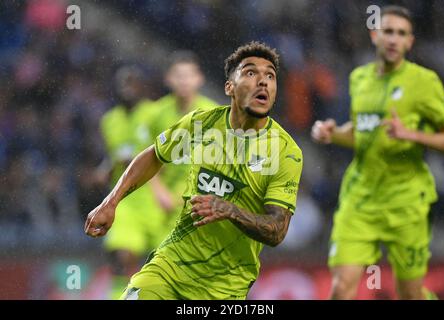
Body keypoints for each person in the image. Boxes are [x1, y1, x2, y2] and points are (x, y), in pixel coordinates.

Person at [85, 41, 303, 300]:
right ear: (229, 87)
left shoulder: (285, 152)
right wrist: (111, 202)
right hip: (172, 263)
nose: (263, 81)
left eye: (270, 76)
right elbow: (154, 155)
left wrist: (231, 210)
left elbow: (277, 230)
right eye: (251, 73)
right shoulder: (202, 123)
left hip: (225, 284)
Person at [311, 5, 444, 300]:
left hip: (406, 202)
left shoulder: (424, 83)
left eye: (401, 34)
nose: (393, 39)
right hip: (360, 200)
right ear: (375, 35)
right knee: (341, 288)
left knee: (410, 294)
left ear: (409, 42)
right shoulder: (359, 78)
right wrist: (332, 133)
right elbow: (363, 132)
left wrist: (410, 134)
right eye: (388, 31)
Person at [97, 65, 168, 299]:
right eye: (123, 83)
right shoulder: (109, 120)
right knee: (122, 255)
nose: (127, 88)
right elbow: (113, 154)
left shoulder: (156, 113)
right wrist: (106, 168)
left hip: (155, 196)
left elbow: (169, 153)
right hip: (124, 199)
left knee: (163, 262)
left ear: (142, 86)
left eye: (132, 82)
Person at [142, 51, 218, 238]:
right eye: (179, 76)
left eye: (189, 75)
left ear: (199, 79)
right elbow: (145, 158)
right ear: (168, 79)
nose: (184, 81)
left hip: (200, 200)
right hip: (164, 203)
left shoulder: (213, 113)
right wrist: (159, 192)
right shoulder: (155, 114)